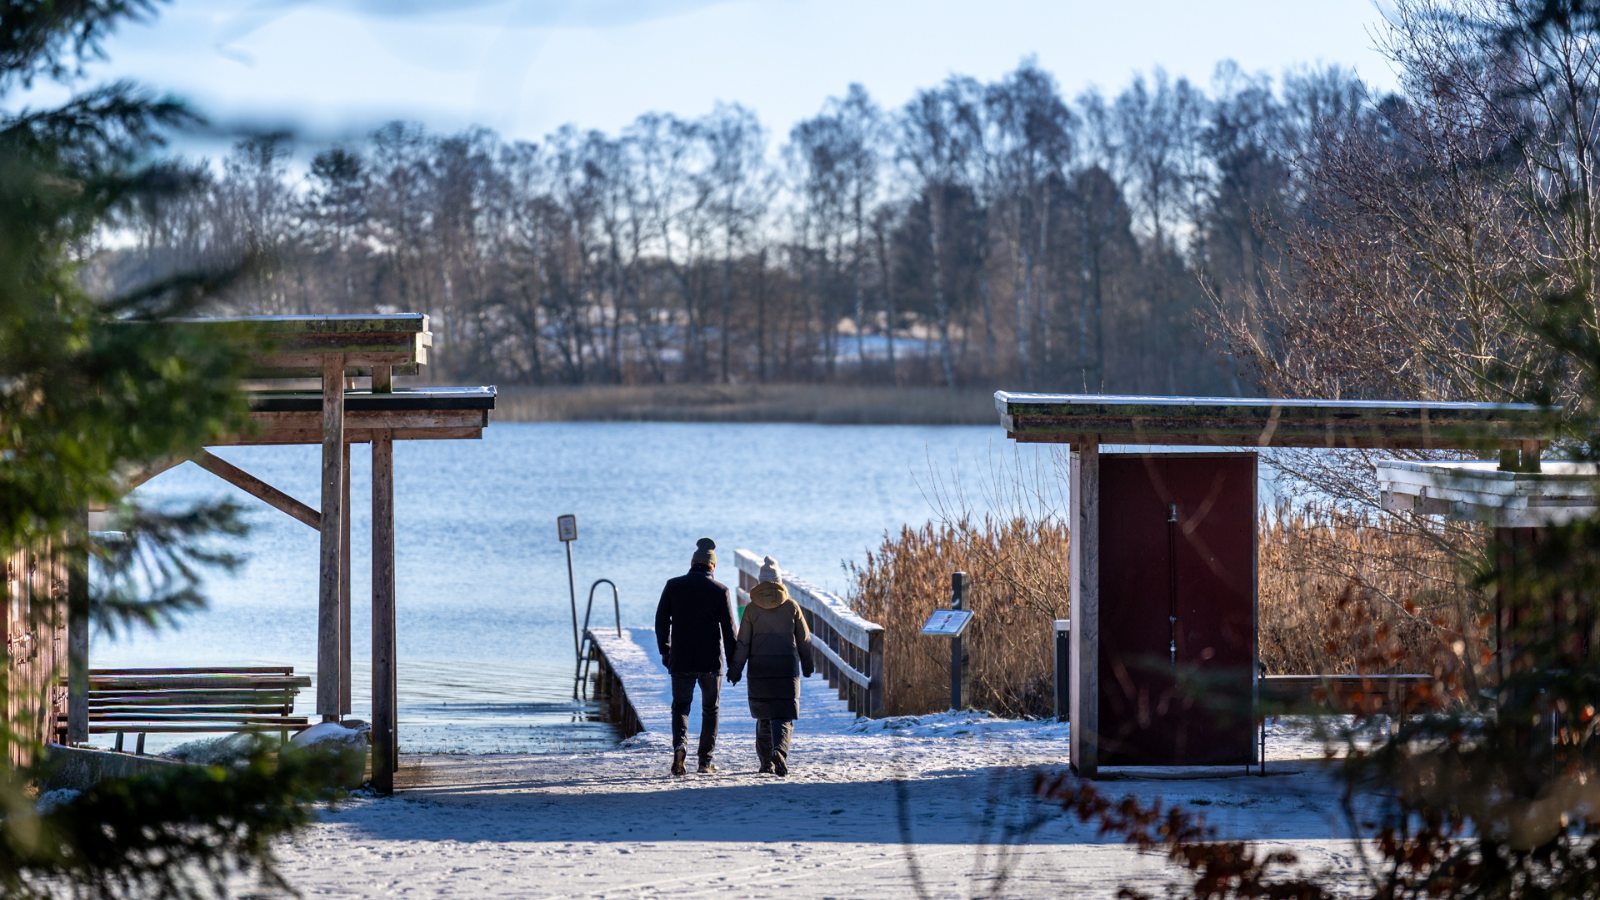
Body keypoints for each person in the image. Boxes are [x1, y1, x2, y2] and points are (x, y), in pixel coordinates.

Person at [655, 537, 738, 776]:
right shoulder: (720, 590)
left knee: (680, 707)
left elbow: (661, 622)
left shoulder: (673, 585)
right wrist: (733, 665)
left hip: (680, 658)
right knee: (710, 709)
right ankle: (705, 761)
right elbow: (729, 631)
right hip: (711, 662)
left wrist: (666, 651)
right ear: (713, 567)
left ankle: (680, 746)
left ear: (692, 562)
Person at [728, 555, 815, 776]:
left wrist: (735, 671)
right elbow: (804, 639)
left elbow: (743, 643)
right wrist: (807, 665)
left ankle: (766, 762)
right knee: (783, 716)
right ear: (779, 581)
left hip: (759, 671)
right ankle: (779, 751)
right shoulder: (791, 607)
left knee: (763, 717)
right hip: (786, 671)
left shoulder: (750, 609)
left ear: (760, 582)